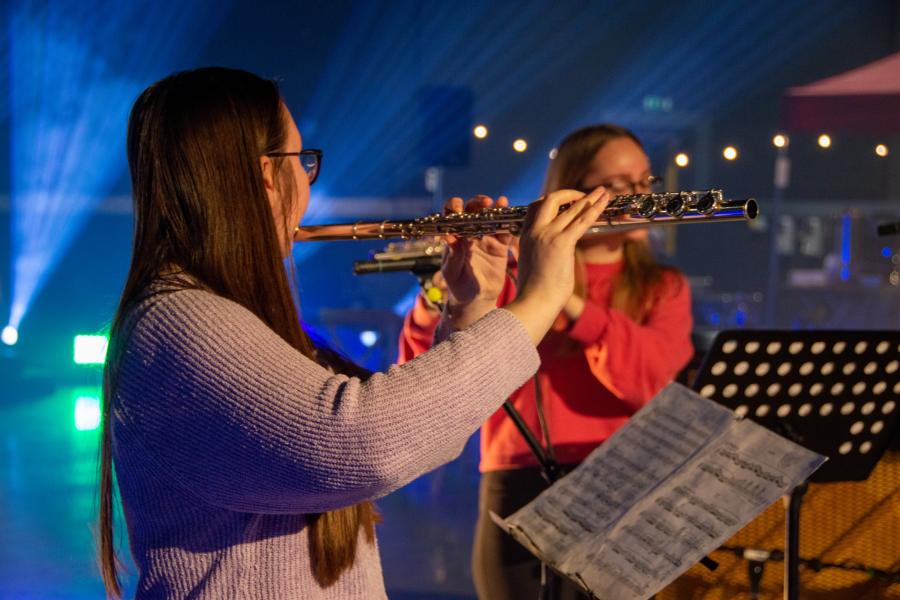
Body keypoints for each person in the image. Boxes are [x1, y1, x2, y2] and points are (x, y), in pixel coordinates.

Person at [95, 67, 610, 599]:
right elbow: (363, 443)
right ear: (268, 174)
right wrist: (542, 295)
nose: (306, 186)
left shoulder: (211, 310)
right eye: (304, 162)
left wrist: (472, 303)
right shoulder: (179, 320)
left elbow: (404, 434)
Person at [399, 124, 694, 600]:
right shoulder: (511, 273)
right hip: (517, 480)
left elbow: (650, 380)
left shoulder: (665, 287)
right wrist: (450, 290)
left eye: (646, 182)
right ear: (571, 192)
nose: (640, 196)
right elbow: (426, 372)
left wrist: (559, 297)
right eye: (620, 186)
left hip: (628, 481)